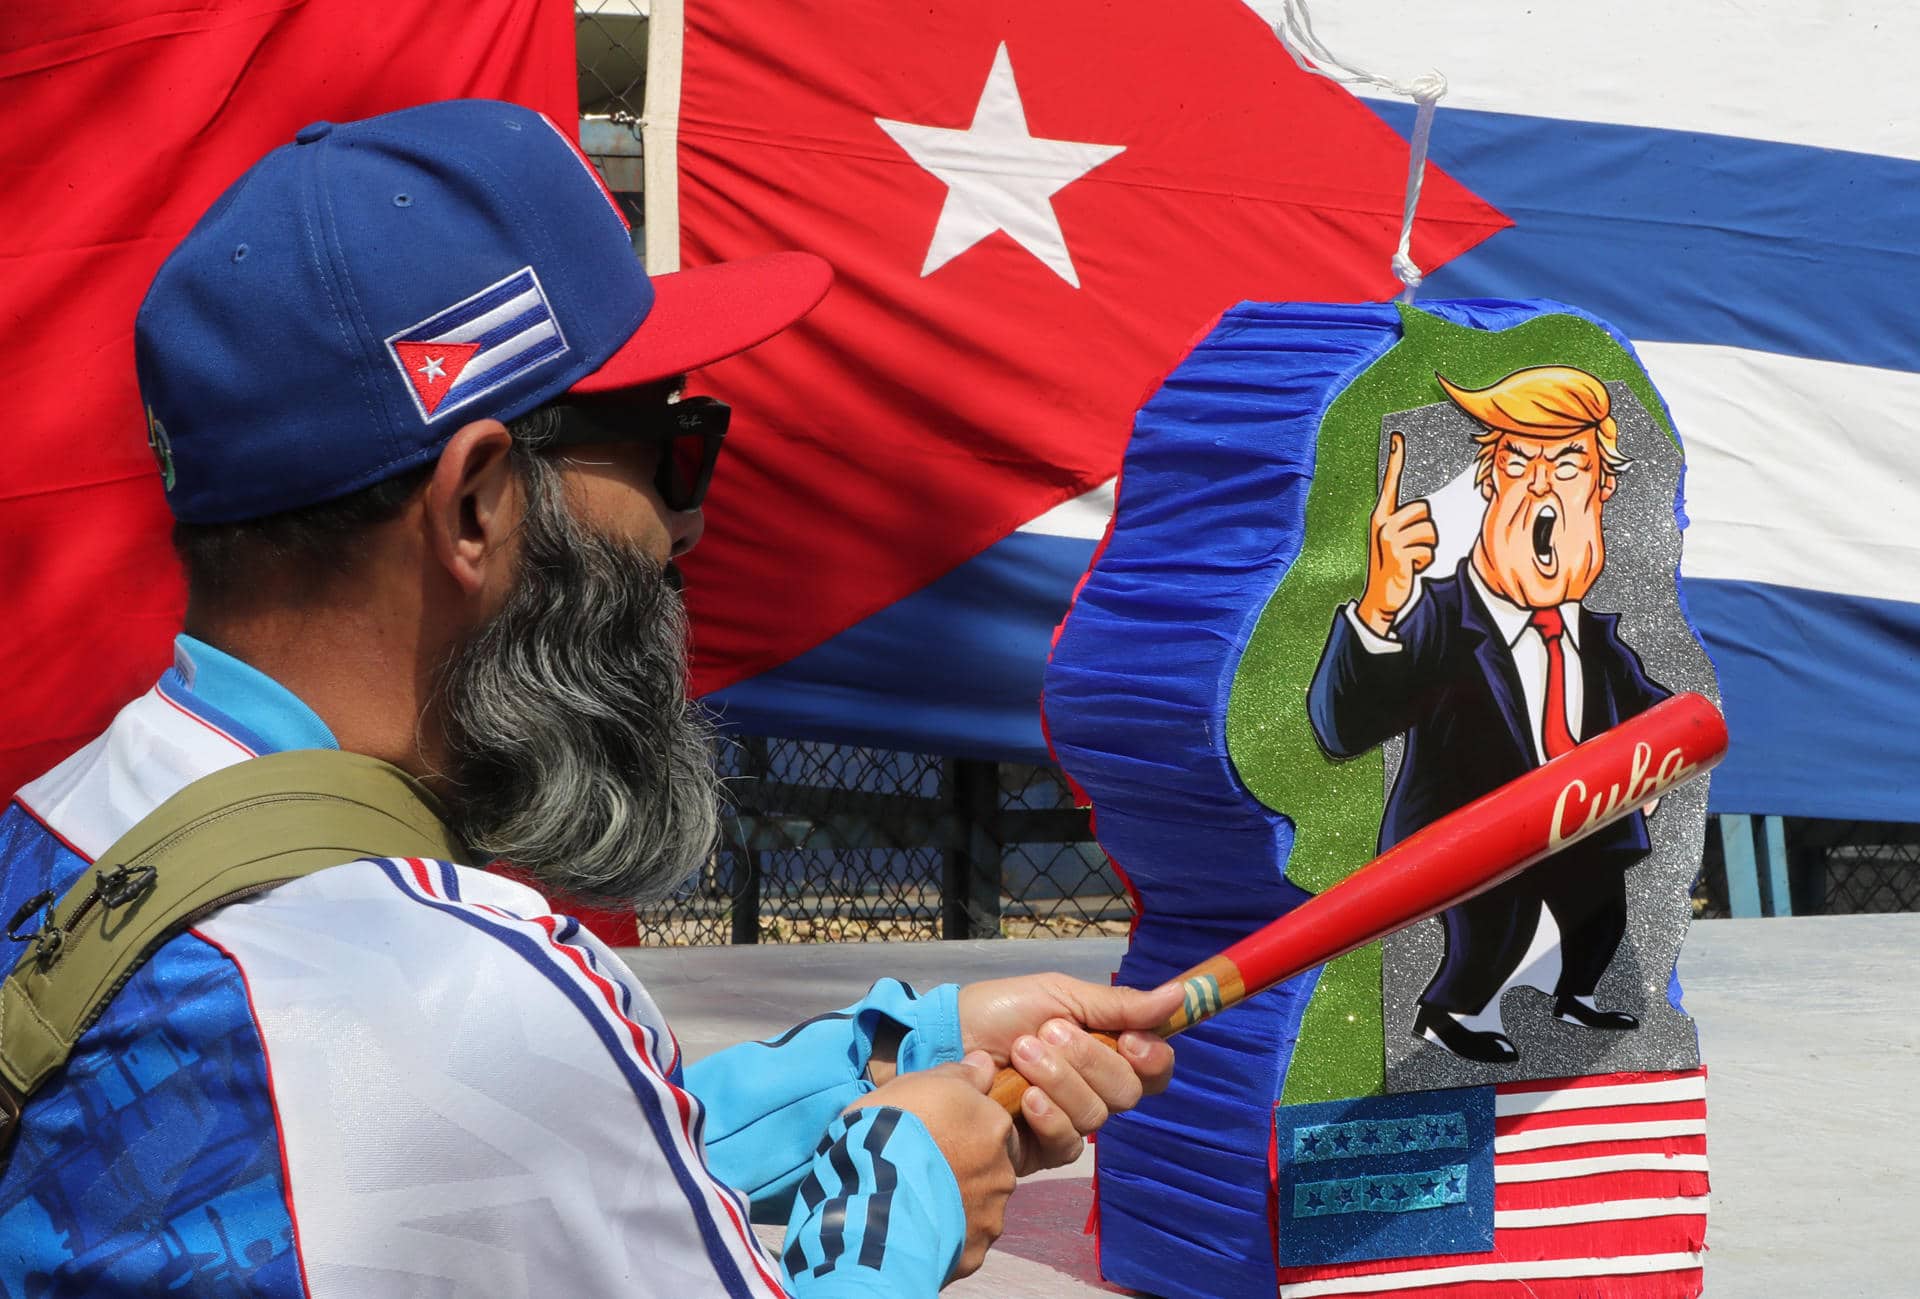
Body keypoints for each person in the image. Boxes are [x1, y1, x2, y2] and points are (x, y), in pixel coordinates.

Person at [0, 100, 1178, 1297]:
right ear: (476, 506)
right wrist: (901, 1190)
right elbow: (466, 1083)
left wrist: (891, 1062)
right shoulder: (446, 981)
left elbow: (490, 1156)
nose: (687, 521)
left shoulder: (59, 822)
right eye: (673, 446)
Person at [1307, 366, 1671, 1065]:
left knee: (1599, 905)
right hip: (1470, 834)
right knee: (1495, 923)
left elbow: (1648, 704)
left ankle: (1578, 993)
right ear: (1488, 481)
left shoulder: (1592, 637)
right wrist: (1380, 606)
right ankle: (1452, 1009)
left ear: (1602, 487)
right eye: (1517, 462)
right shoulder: (1444, 618)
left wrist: (1656, 762)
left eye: (1567, 464)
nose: (1540, 484)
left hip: (1577, 820)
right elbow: (1341, 726)